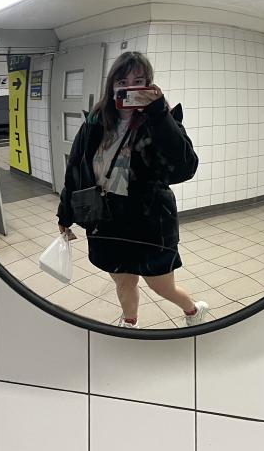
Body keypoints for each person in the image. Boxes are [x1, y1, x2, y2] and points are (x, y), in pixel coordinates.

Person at [57, 51, 208, 328]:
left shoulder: (161, 120)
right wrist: (64, 214)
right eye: (122, 80)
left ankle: (192, 309)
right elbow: (75, 170)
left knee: (161, 286)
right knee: (123, 282)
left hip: (148, 223)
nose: (129, 86)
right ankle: (130, 325)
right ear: (112, 85)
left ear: (149, 85)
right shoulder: (95, 122)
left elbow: (184, 168)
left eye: (139, 80)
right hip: (107, 221)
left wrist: (158, 112)